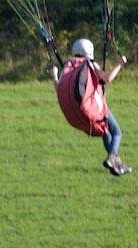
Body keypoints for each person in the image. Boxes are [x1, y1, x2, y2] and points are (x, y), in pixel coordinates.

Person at [52, 38, 131, 176]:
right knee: (117, 132)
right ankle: (113, 156)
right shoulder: (90, 65)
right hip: (95, 108)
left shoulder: (68, 67)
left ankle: (114, 164)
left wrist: (54, 74)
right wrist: (120, 64)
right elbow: (107, 79)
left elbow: (59, 88)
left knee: (105, 131)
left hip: (78, 113)